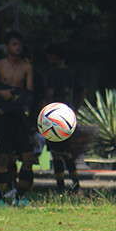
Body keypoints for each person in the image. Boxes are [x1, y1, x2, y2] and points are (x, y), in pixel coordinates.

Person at [0, 30, 35, 204]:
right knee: (2, 157)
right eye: (14, 44)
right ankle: (1, 197)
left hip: (19, 117)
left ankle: (20, 196)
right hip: (2, 117)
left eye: (20, 45)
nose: (17, 48)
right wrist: (2, 93)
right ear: (6, 47)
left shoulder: (26, 67)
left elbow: (29, 93)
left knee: (27, 157)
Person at [43, 43, 86, 194]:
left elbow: (49, 94)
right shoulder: (71, 73)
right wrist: (75, 109)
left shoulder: (54, 74)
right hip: (67, 117)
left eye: (50, 56)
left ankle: (61, 187)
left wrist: (45, 113)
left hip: (54, 118)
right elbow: (82, 91)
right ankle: (76, 185)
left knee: (56, 154)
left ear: (55, 57)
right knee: (67, 153)